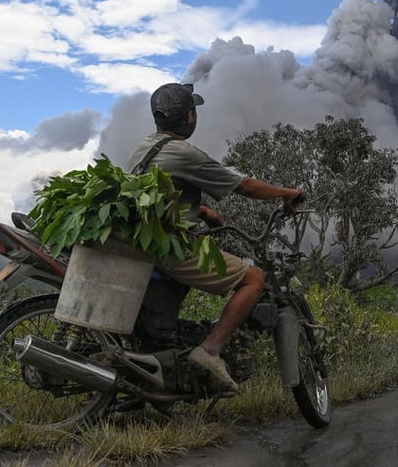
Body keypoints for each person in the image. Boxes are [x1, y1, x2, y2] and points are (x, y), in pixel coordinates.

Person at [125, 82, 303, 393]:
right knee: (254, 279)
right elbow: (244, 186)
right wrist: (287, 193)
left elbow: (162, 193)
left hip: (144, 240)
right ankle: (209, 350)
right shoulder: (186, 154)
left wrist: (202, 211)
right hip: (171, 247)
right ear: (190, 117)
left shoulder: (143, 148)